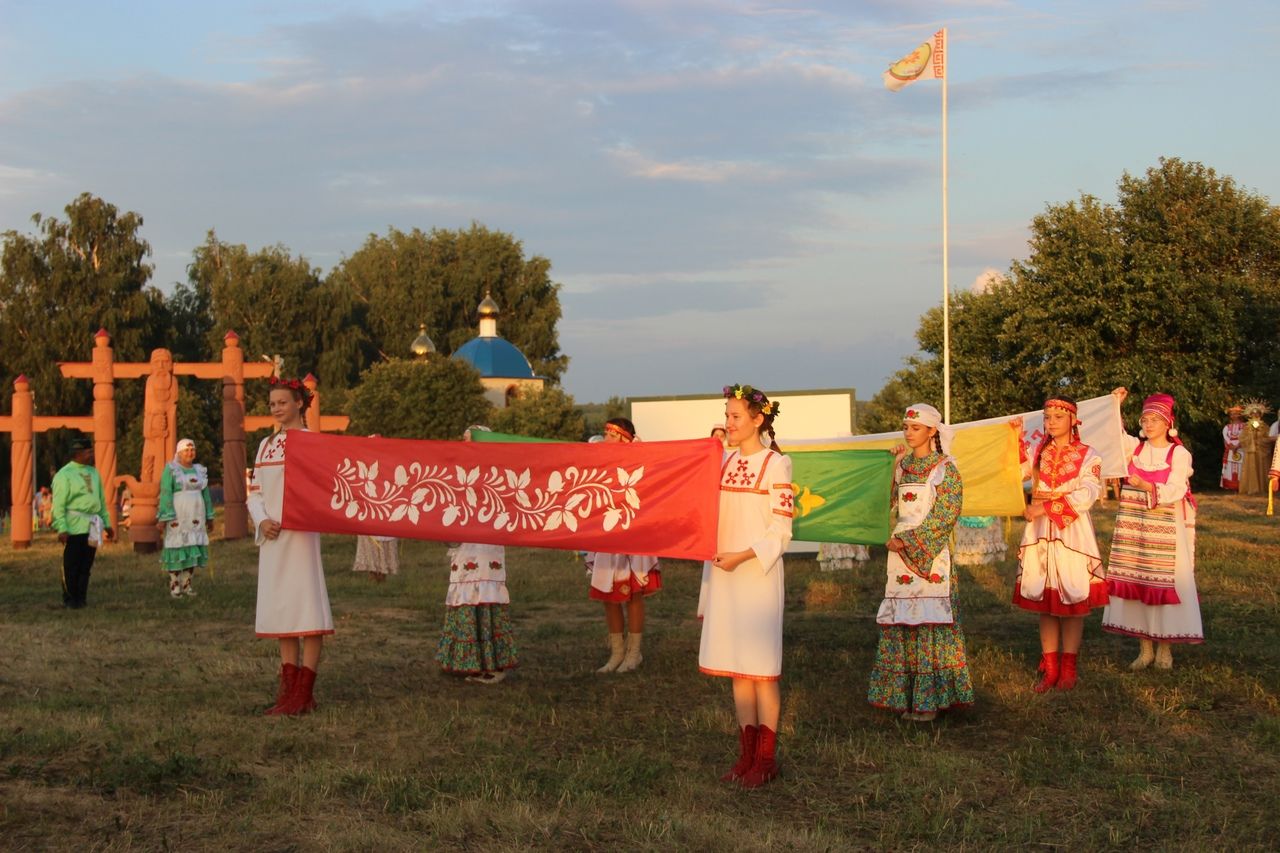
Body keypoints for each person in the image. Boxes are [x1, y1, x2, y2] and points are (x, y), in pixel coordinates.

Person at [701, 384, 792, 789]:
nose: (729, 423)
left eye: (736, 416)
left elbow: (781, 531)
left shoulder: (776, 464)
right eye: (727, 415)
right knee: (739, 668)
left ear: (758, 420)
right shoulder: (721, 462)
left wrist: (742, 556)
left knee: (761, 671)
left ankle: (767, 759)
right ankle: (746, 754)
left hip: (756, 575)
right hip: (726, 574)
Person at [867, 404, 973, 722]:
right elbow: (883, 504)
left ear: (931, 431)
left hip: (929, 555)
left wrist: (909, 542)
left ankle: (929, 702)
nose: (908, 432)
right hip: (898, 554)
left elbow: (946, 514)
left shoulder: (945, 468)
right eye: (906, 427)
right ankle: (905, 697)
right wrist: (890, 468)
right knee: (903, 623)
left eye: (915, 428)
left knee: (927, 623)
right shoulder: (902, 467)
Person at [248, 377, 334, 716]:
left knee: (307, 606)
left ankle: (304, 692)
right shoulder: (265, 445)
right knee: (282, 609)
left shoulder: (314, 442)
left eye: (282, 402)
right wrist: (261, 519)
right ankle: (287, 690)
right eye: (272, 404)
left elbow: (332, 480)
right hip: (272, 537)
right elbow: (254, 491)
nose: (276, 409)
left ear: (299, 403)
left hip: (301, 536)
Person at [1012, 396, 1107, 692]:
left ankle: (1069, 668)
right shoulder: (1039, 453)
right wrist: (1013, 439)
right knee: (1046, 600)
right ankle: (1050, 668)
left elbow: (1088, 492)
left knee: (1073, 598)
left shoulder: (1088, 454)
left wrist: (1045, 508)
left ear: (1073, 421)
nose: (1051, 422)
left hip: (1071, 533)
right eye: (1047, 417)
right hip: (1041, 533)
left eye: (1058, 417)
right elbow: (1015, 472)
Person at [1102, 389, 1202, 669]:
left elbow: (1177, 488)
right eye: (1145, 419)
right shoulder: (1135, 448)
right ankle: (1144, 648)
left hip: (1165, 529)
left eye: (1154, 419)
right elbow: (1114, 438)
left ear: (1168, 423)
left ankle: (1165, 649)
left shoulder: (1178, 453)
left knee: (1162, 584)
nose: (1148, 424)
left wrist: (1149, 487)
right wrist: (1115, 406)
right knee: (1137, 581)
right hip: (1134, 529)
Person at [436, 425, 518, 684]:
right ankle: (472, 663)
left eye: (470, 439)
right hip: (464, 551)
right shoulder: (459, 474)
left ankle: (492, 664)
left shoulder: (496, 476)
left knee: (485, 597)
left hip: (485, 551)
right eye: (463, 439)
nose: (464, 442)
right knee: (466, 598)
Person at [585, 418, 661, 674]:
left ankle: (634, 653)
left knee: (634, 596)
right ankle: (617, 653)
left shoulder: (639, 461)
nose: (606, 438)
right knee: (609, 596)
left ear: (625, 438)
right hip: (607, 535)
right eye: (605, 433)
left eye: (612, 434)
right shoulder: (601, 463)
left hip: (633, 534)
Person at [51, 437, 113, 608]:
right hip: (73, 527)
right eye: (88, 452)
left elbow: (100, 500)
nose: (91, 454)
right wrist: (62, 528)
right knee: (72, 565)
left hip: (92, 526)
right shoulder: (64, 475)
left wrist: (107, 523)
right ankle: (70, 598)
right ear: (78, 454)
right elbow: (59, 505)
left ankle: (81, 597)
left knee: (86, 565)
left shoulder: (94, 473)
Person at [156, 438, 214, 598]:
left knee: (192, 548)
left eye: (192, 450)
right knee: (176, 548)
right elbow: (166, 492)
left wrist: (210, 516)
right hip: (178, 515)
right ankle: (175, 585)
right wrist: (164, 517)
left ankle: (187, 584)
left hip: (196, 516)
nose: (190, 453)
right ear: (179, 453)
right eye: (186, 450)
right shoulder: (171, 469)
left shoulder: (199, 470)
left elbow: (206, 494)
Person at [1239, 401, 1272, 496]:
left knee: (1262, 468)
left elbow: (1268, 438)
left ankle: (1263, 488)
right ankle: (1251, 488)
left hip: (1261, 451)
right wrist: (1251, 436)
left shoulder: (1265, 426)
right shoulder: (1246, 427)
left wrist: (1260, 439)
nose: (1255, 415)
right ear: (1250, 415)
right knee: (1251, 468)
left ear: (1260, 414)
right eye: (1253, 413)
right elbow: (1242, 438)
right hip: (1251, 451)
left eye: (1257, 413)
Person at [1220, 405, 1244, 490]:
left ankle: (1241, 485)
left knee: (1241, 466)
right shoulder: (1227, 427)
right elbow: (1225, 437)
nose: (1233, 416)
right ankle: (1230, 486)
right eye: (1232, 414)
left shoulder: (1245, 426)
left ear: (1240, 415)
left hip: (1241, 449)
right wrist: (1231, 446)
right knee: (1230, 466)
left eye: (1236, 414)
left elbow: (1245, 437)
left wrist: (1238, 445)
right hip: (1230, 449)